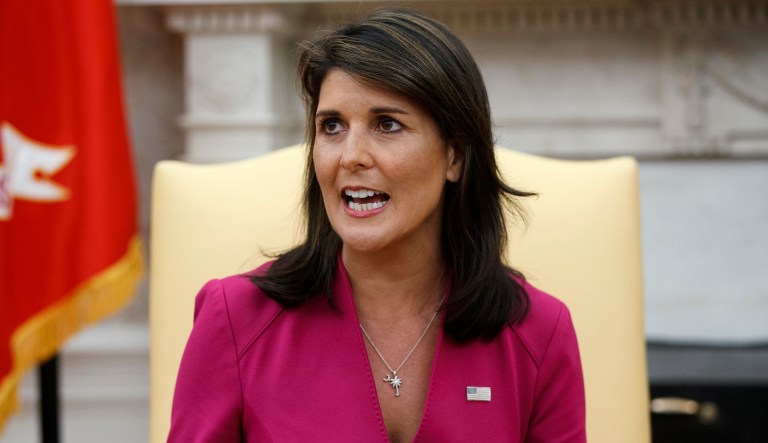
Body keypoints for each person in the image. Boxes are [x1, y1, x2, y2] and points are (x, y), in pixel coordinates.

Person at [168, 8, 585, 443]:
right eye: (332, 126)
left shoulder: (540, 332)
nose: (351, 156)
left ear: (456, 156)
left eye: (387, 125)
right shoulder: (234, 319)